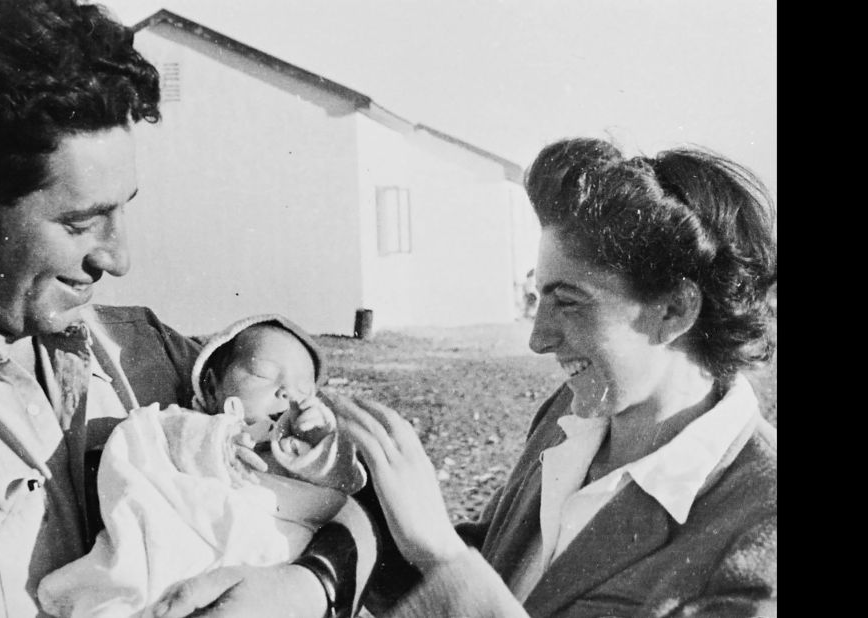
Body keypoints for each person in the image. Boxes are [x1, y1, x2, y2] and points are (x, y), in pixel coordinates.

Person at [0, 1, 375, 616]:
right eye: (82, 222)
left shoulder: (149, 350)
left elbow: (368, 511)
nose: (120, 257)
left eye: (123, 206)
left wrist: (309, 585)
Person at [329, 137, 777, 617]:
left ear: (674, 310)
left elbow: (458, 568)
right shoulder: (570, 418)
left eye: (568, 300)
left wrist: (443, 554)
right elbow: (499, 571)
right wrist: (342, 488)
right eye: (540, 296)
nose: (538, 339)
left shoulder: (761, 525)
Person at [37, 314, 367, 617]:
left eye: (304, 390)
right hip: (189, 552)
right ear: (210, 387)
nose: (287, 394)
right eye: (264, 374)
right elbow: (157, 438)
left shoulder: (304, 453)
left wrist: (321, 444)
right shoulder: (194, 424)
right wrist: (219, 442)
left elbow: (343, 484)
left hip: (269, 563)